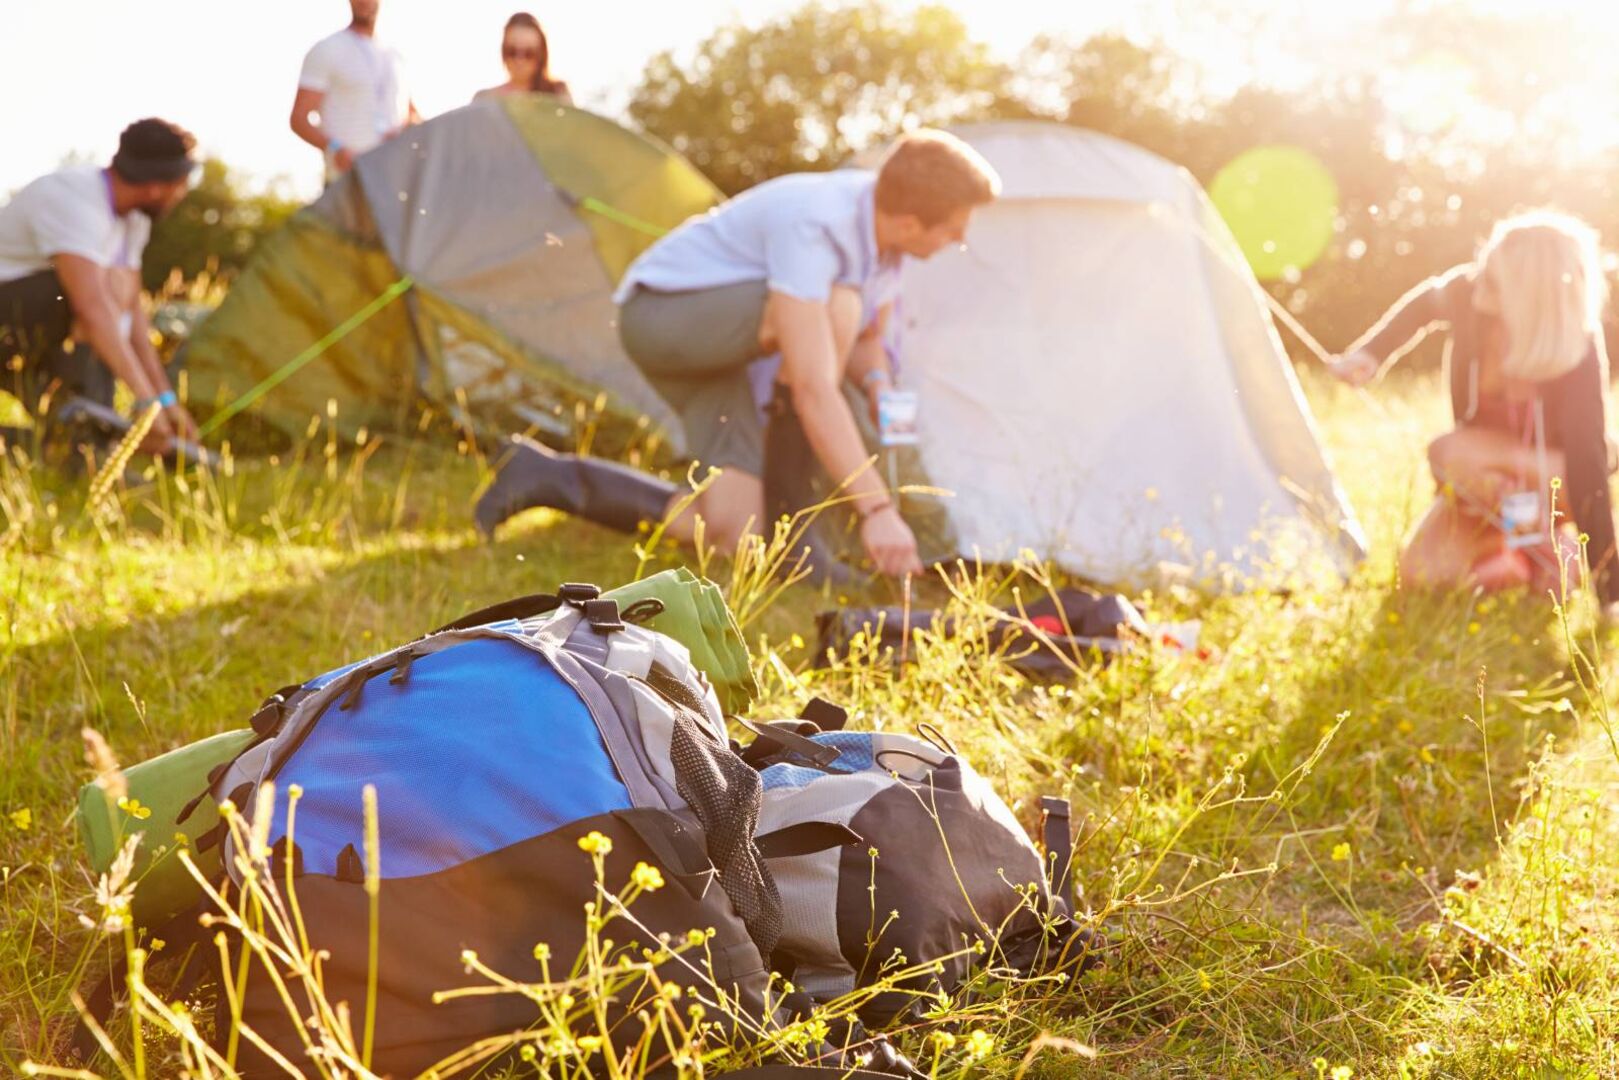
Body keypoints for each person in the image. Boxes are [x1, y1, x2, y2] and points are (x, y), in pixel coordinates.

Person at [475, 130, 1001, 578]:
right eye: (955, 226)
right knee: (836, 305)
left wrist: (879, 385)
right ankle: (797, 512)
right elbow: (813, 383)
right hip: (665, 319)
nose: (959, 238)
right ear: (912, 222)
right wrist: (877, 510)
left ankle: (546, 476)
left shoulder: (889, 246)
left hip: (728, 359)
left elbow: (866, 342)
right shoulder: (817, 224)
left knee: (732, 535)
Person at [1328, 211, 1618, 605]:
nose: (1478, 279)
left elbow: (1587, 461)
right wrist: (1370, 354)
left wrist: (1610, 592)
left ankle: (1547, 541)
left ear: (1530, 295)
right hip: (1484, 479)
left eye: (1494, 279)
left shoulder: (1577, 347)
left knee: (1452, 453)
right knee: (1422, 574)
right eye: (1484, 268)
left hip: (1554, 474)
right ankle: (1524, 549)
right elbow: (1423, 306)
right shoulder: (1470, 293)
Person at [0, 118, 198, 457]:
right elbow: (92, 308)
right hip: (13, 315)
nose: (182, 193)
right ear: (156, 186)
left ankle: (83, 450)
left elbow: (133, 315)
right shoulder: (73, 199)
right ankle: (83, 445)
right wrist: (145, 398)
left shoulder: (133, 220)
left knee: (72, 450)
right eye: (182, 183)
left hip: (36, 330)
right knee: (101, 294)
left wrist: (163, 401)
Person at [290, 0, 420, 183]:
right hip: (346, 180)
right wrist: (335, 148)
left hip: (392, 178)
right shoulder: (328, 49)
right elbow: (299, 119)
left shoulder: (396, 57)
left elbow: (411, 115)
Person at [473, 13, 571, 103]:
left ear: (541, 54)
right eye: (512, 52)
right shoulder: (484, 99)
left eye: (529, 53)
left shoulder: (558, 93)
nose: (519, 60)